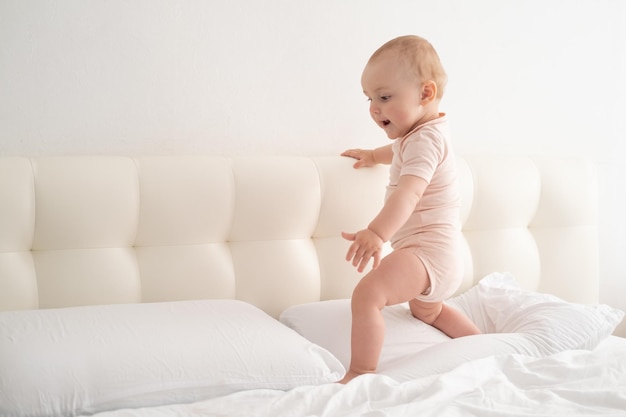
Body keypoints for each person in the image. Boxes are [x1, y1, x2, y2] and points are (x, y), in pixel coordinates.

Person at [338, 35, 481, 384]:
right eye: (370, 99)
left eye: (384, 97)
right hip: (443, 259)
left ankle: (360, 372)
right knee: (426, 311)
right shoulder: (423, 135)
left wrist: (376, 233)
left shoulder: (425, 140)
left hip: (426, 254)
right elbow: (401, 151)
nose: (374, 108)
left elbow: (409, 194)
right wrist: (374, 155)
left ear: (425, 93)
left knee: (368, 295)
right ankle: (481, 345)